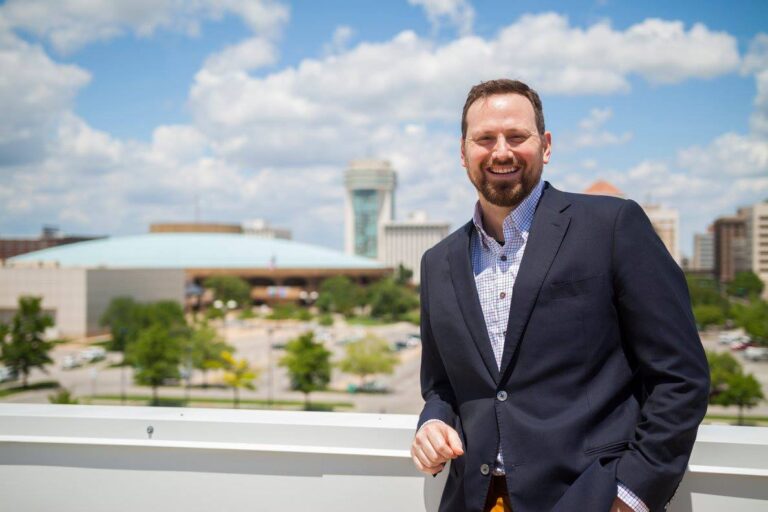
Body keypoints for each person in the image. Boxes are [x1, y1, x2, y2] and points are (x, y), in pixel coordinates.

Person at [410, 79, 710, 512]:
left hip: (590, 496)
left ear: (545, 145)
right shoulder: (438, 262)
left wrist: (632, 494)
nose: (501, 152)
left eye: (517, 136)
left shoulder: (612, 226)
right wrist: (433, 421)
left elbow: (680, 376)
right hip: (474, 499)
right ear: (463, 152)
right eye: (485, 139)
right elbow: (441, 385)